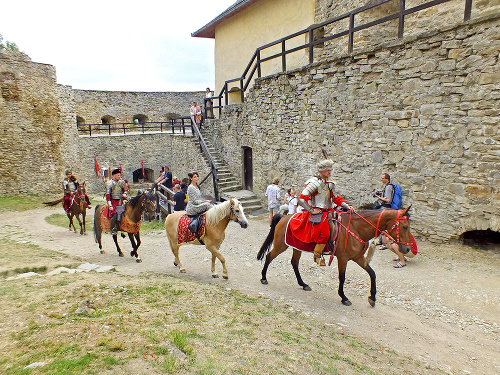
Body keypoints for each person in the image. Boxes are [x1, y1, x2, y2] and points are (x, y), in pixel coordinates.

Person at [292, 159, 353, 266]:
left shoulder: (329, 183)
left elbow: (335, 198)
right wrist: (311, 210)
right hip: (318, 212)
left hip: (329, 210)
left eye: (330, 169)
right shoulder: (314, 183)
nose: (330, 171)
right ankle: (317, 255)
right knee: (325, 233)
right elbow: (301, 199)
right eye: (327, 170)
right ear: (321, 171)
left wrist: (346, 206)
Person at [106, 168, 128, 235]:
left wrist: (125, 193)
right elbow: (108, 196)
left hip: (121, 200)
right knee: (115, 214)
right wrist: (110, 205)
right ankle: (113, 228)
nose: (119, 176)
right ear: (114, 175)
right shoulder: (109, 183)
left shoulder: (121, 182)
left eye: (119, 175)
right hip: (113, 201)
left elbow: (126, 189)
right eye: (118, 175)